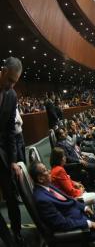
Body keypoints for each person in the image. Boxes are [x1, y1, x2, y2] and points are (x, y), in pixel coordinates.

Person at [29, 161, 95, 247]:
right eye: (45, 170)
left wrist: (84, 207)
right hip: (77, 228)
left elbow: (69, 199)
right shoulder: (42, 199)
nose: (49, 171)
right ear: (40, 178)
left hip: (80, 215)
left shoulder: (47, 185)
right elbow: (62, 224)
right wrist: (88, 223)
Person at [0, 57, 24, 246]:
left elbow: (9, 130)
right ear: (3, 70)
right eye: (10, 80)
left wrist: (14, 160)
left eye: (15, 82)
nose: (11, 85)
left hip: (2, 154)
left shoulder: (12, 95)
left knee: (11, 196)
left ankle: (17, 234)